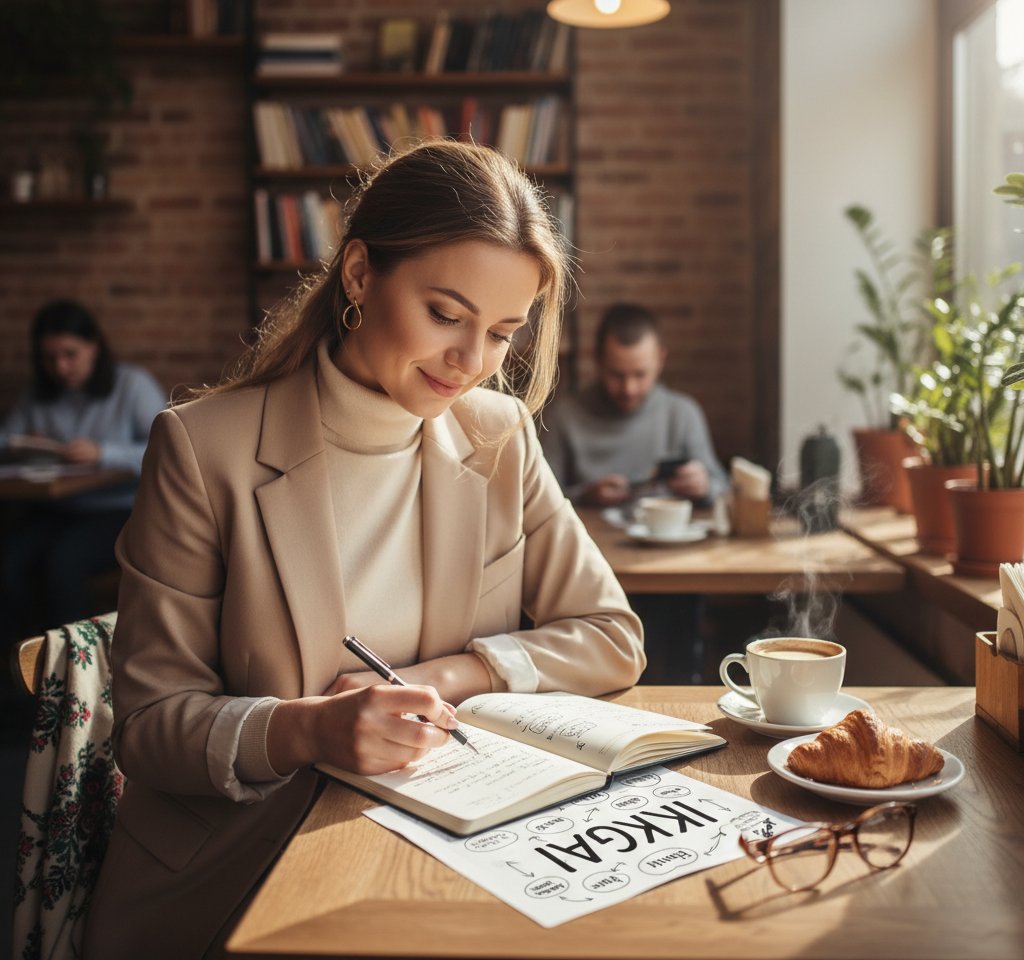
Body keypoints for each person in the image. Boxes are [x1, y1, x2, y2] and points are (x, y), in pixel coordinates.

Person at [83, 140, 645, 959]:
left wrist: (450, 674)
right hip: (235, 871)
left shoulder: (498, 437)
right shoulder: (204, 450)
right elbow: (153, 727)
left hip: (442, 848)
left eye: (502, 333)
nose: (471, 361)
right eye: (445, 314)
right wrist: (309, 730)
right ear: (358, 274)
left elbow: (611, 635)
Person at [0, 299, 166, 639]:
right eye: (50, 358)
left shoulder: (131, 385)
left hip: (121, 510)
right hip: (57, 509)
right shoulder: (38, 394)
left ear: (94, 347)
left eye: (70, 354)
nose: (60, 367)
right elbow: (5, 438)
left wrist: (103, 453)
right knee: (8, 559)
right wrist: (20, 443)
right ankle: (18, 665)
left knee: (62, 562)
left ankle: (74, 667)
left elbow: (166, 448)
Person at [538, 302, 727, 508]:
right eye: (617, 375)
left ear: (660, 360)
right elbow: (539, 500)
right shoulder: (564, 415)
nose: (629, 389)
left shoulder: (682, 413)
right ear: (597, 360)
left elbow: (724, 490)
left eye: (640, 374)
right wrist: (585, 496)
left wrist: (705, 486)